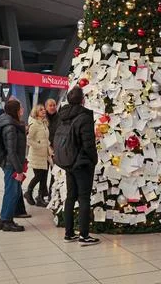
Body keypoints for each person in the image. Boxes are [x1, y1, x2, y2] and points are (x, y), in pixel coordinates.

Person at [57, 86, 100, 246]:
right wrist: (93, 159)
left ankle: (69, 233)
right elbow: (88, 144)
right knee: (83, 198)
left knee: (70, 197)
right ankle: (84, 235)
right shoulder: (84, 116)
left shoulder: (63, 115)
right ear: (82, 99)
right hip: (82, 163)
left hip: (68, 161)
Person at [0, 106, 31, 219]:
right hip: (11, 165)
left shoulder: (13, 125)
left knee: (14, 192)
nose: (22, 110)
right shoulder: (11, 127)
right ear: (14, 111)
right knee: (11, 193)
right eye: (19, 108)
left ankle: (6, 219)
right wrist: (19, 169)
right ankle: (5, 220)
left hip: (13, 163)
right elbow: (11, 151)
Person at [24, 104, 52, 207]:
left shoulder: (44, 123)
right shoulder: (34, 124)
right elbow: (28, 140)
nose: (44, 111)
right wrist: (39, 145)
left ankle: (40, 198)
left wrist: (49, 148)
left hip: (44, 155)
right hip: (36, 155)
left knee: (44, 177)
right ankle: (28, 193)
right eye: (41, 110)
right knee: (38, 176)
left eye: (44, 109)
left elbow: (45, 139)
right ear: (36, 112)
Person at [45, 98, 59, 201]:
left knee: (54, 173)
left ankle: (52, 194)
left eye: (54, 105)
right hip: (44, 150)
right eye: (50, 105)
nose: (53, 107)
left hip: (56, 150)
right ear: (46, 107)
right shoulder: (42, 118)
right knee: (42, 175)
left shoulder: (60, 117)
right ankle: (41, 195)